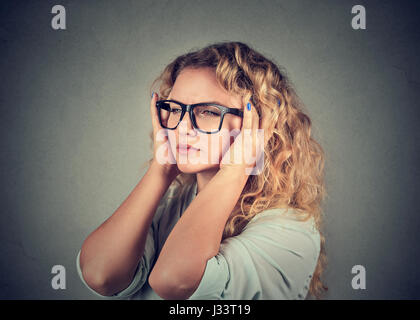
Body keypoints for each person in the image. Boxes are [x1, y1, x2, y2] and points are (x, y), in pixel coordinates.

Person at [76, 41, 328, 300]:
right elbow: (100, 274)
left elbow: (173, 280)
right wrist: (161, 168)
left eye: (207, 111)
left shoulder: (290, 231)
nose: (182, 127)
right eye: (174, 109)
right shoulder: (169, 204)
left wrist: (238, 167)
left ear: (258, 122)